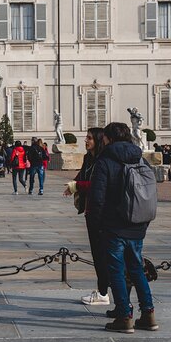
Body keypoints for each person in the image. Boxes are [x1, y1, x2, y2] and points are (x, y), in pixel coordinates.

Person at [88, 122, 158, 333]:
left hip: (114, 225)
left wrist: (97, 224)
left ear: (108, 138)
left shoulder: (105, 161)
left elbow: (97, 198)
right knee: (136, 269)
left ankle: (124, 315)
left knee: (116, 271)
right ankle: (148, 314)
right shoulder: (139, 158)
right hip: (137, 223)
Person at [64, 128, 109, 306]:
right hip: (91, 211)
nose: (86, 140)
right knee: (98, 254)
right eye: (86, 137)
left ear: (98, 140)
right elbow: (83, 175)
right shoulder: (88, 158)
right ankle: (104, 290)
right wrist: (73, 183)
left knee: (102, 254)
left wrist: (75, 186)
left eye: (89, 138)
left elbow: (96, 184)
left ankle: (104, 292)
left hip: (102, 211)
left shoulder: (103, 160)